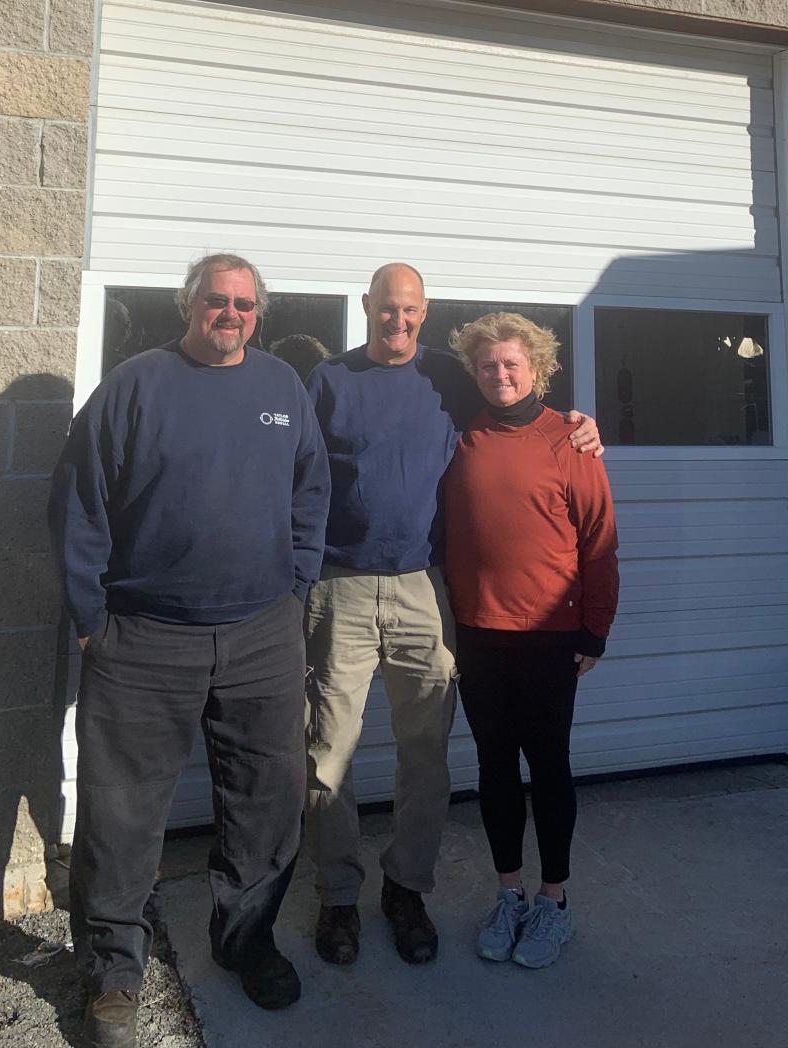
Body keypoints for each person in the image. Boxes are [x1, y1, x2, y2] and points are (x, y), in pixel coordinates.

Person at [50, 252, 331, 1047]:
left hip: (262, 634)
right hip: (144, 635)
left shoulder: (282, 388)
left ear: (258, 314)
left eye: (245, 304)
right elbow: (79, 505)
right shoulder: (136, 384)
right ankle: (113, 971)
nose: (231, 314)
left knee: (266, 798)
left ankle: (245, 939)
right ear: (188, 304)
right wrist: (89, 616)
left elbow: (312, 489)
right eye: (217, 300)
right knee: (122, 809)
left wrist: (296, 586)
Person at [303, 264, 601, 969]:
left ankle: (407, 889)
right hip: (339, 586)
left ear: (424, 310)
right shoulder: (328, 382)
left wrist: (580, 427)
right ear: (367, 305)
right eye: (385, 308)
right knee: (326, 757)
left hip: (423, 590)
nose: (397, 321)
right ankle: (338, 894)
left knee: (425, 757)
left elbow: (519, 403)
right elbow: (293, 473)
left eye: (409, 310)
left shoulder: (451, 377)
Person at [443, 312, 619, 970]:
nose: (499, 374)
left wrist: (594, 629)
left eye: (512, 363)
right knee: (493, 768)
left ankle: (555, 901)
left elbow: (599, 543)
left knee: (548, 767)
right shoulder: (460, 435)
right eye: (488, 365)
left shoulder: (571, 442)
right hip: (478, 635)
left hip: (549, 638)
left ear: (537, 367)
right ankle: (509, 893)